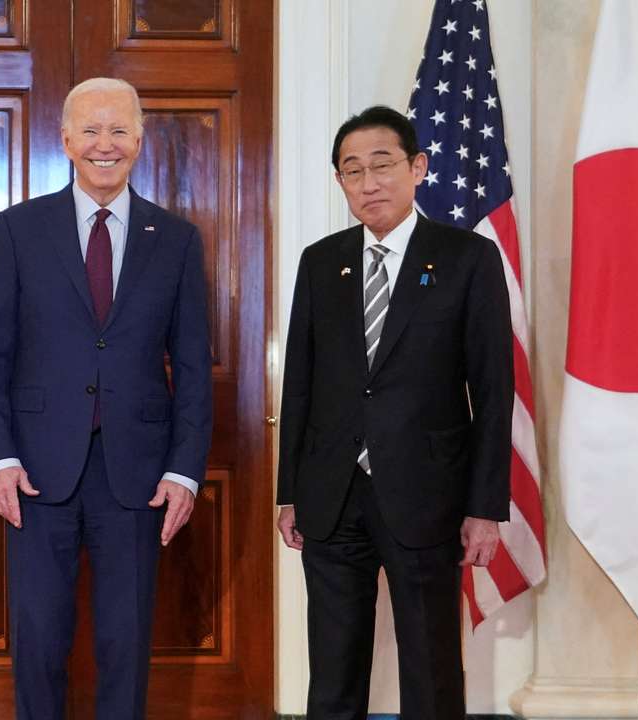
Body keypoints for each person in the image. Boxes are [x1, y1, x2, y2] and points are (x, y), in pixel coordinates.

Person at [0, 77, 212, 720]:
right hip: (35, 473)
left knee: (125, 643)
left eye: (119, 129)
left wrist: (185, 469)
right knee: (39, 641)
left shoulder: (177, 238)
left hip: (138, 474)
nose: (106, 144)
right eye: (92, 130)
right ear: (66, 139)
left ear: (140, 138)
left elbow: (190, 365)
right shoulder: (19, 230)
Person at [275, 105, 512, 720]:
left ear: (417, 167)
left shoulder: (466, 257)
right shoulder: (321, 262)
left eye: (382, 165)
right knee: (332, 670)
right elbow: (299, 385)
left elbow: (492, 390)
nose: (368, 182)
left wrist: (485, 506)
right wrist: (290, 492)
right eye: (352, 171)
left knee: (431, 670)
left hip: (428, 491)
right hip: (331, 493)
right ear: (340, 182)